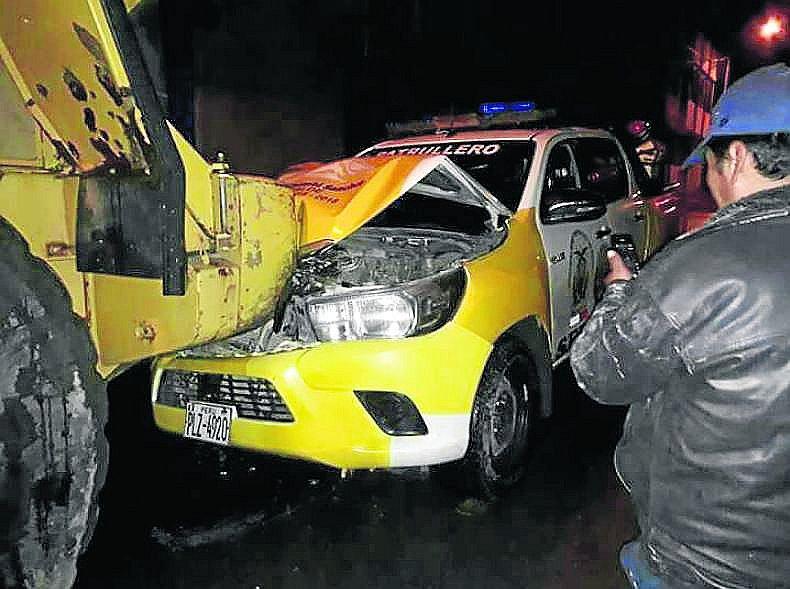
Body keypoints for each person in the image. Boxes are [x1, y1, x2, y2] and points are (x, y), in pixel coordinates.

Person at [570, 62, 790, 588]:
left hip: (710, 560)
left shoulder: (699, 267)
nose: (708, 180)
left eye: (709, 164)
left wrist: (622, 291)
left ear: (735, 157)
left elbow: (601, 373)